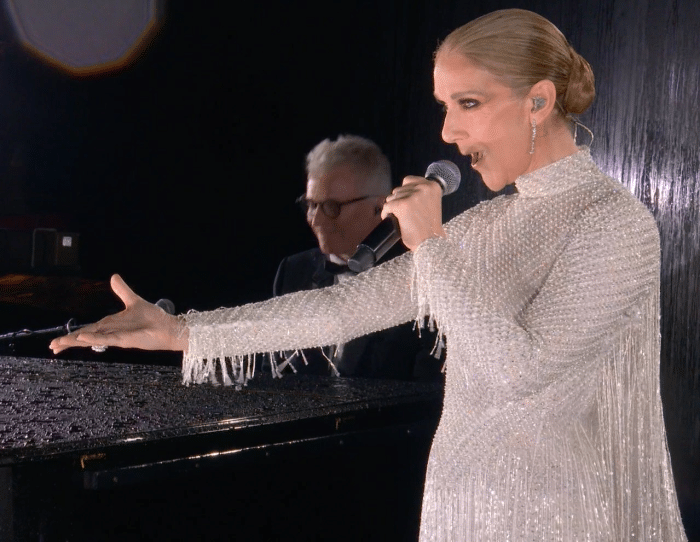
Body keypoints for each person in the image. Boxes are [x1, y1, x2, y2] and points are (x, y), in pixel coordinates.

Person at [51, 8, 687, 541]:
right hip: (455, 510)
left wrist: (432, 244)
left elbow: (521, 372)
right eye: (444, 106)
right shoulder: (486, 226)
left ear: (539, 100)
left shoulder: (614, 225)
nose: (448, 130)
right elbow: (341, 308)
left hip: (553, 522)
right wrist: (182, 332)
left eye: (469, 103)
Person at [273, 134, 441, 379]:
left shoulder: (423, 277)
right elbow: (275, 375)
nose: (316, 221)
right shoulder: (293, 271)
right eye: (310, 205)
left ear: (380, 207)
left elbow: (429, 391)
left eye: (332, 207)